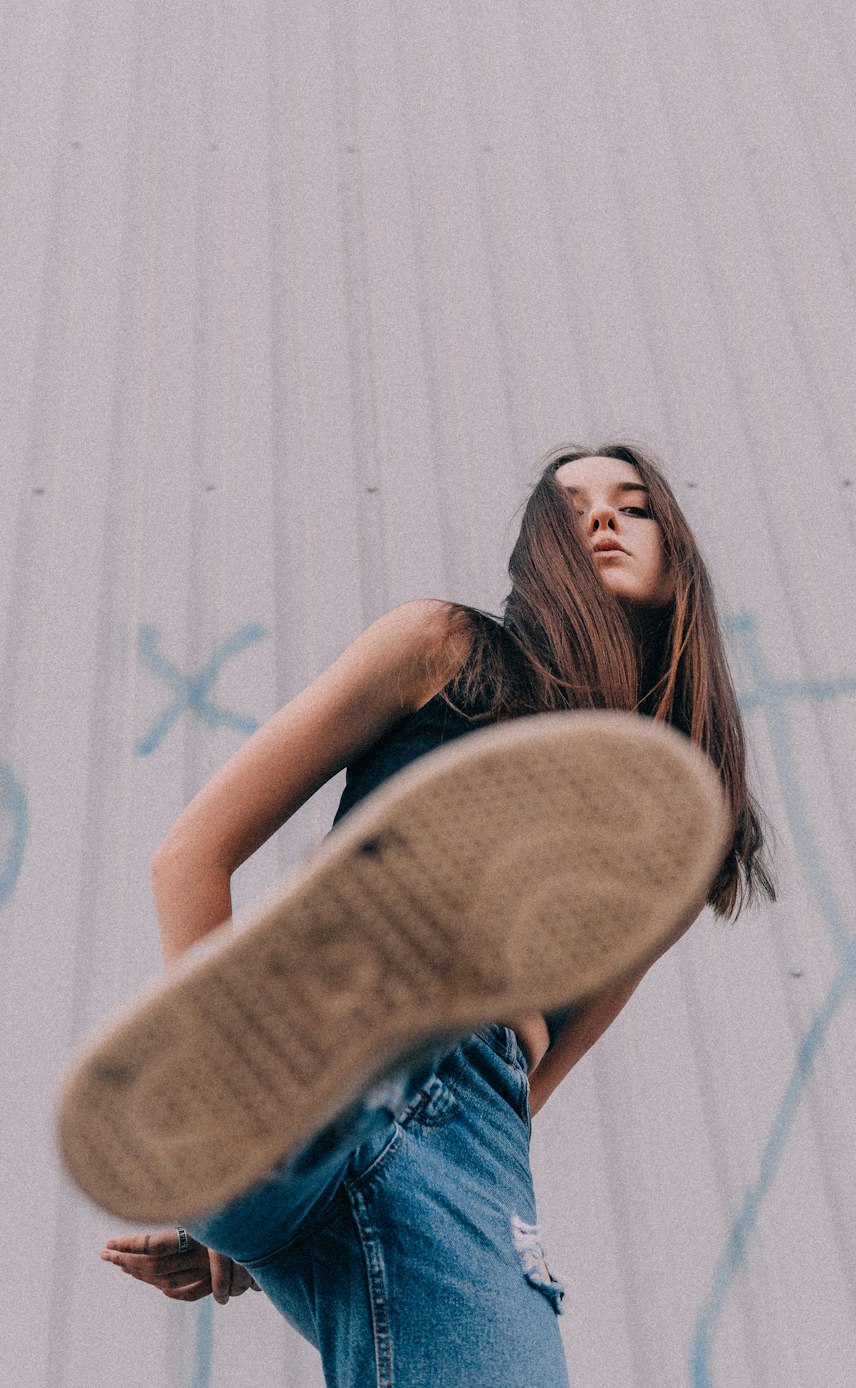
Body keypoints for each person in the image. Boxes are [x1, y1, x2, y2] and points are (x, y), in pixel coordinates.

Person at [95, 442, 775, 1385]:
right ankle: (237, 1138)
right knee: (264, 1118)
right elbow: (190, 859)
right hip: (309, 1029)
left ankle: (248, 1183)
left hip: (469, 1140)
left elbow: (545, 1068)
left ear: (677, 553)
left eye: (634, 504)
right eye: (572, 505)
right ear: (539, 549)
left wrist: (264, 1242)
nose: (605, 518)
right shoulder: (447, 651)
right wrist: (229, 1093)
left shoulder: (675, 825)